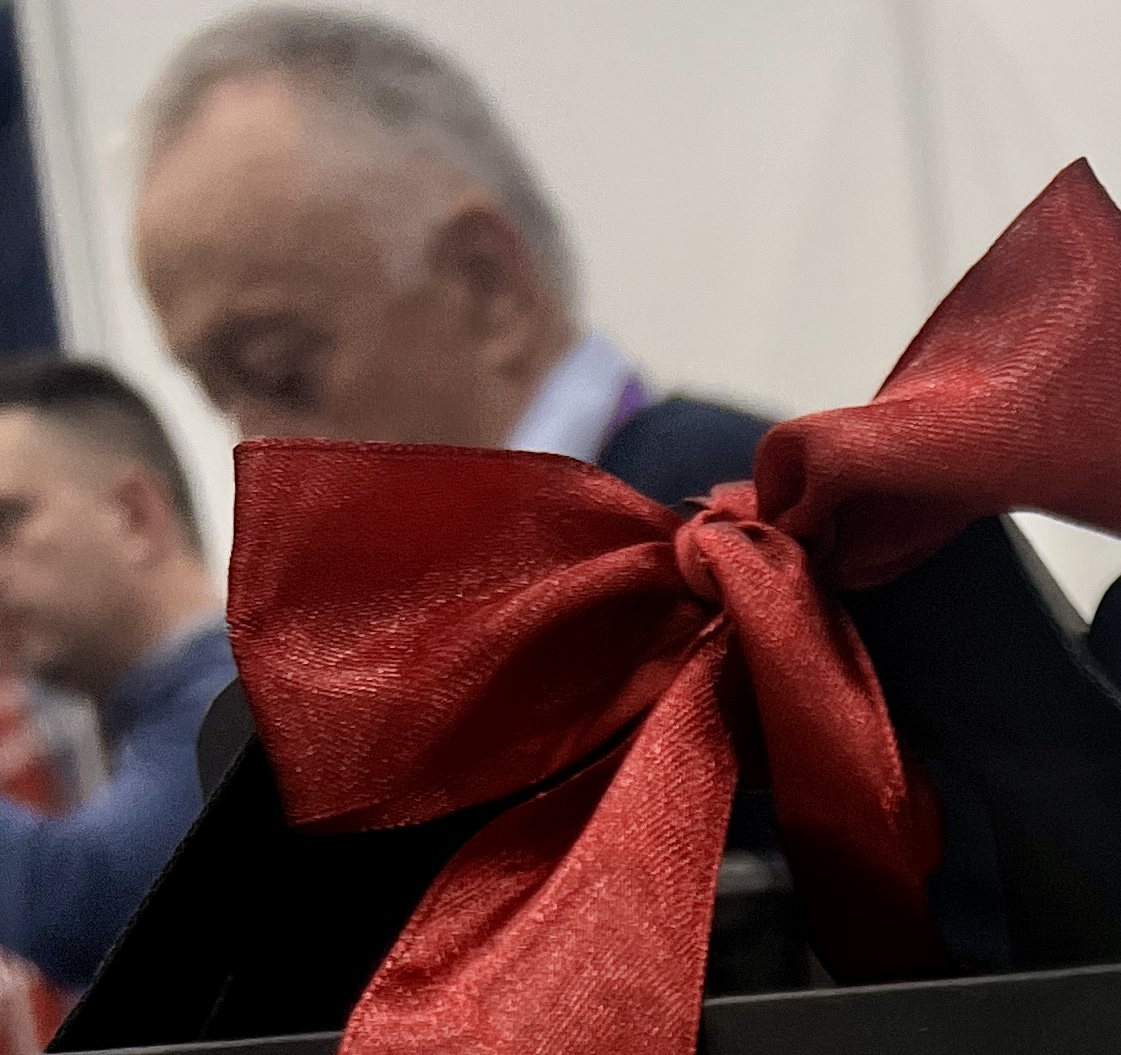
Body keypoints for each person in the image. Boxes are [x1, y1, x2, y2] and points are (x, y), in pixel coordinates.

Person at [133, 10, 765, 499]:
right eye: (222, 401)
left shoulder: (755, 552)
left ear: (488, 286)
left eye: (281, 371)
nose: (259, 463)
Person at [0, 359, 228, 994]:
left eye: (6, 523)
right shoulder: (161, 719)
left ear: (133, 514)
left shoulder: (238, 704)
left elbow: (90, 904)